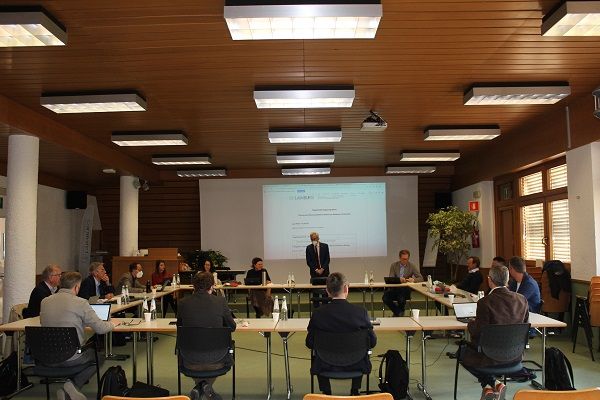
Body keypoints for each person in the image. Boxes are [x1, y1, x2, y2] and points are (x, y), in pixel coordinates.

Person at [40, 271, 117, 400]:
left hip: (47, 356)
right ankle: (73, 385)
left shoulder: (45, 301)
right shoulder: (80, 302)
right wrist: (112, 324)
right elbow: (101, 329)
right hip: (71, 356)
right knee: (99, 357)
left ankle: (69, 389)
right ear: (76, 287)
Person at [458, 265, 529, 400]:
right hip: (515, 355)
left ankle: (491, 384)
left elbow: (478, 331)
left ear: (489, 280)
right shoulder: (522, 299)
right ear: (507, 280)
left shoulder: (485, 302)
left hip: (490, 356)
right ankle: (493, 385)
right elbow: (524, 328)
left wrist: (470, 323)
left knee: (461, 353)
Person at [306, 272, 377, 396]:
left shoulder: (318, 314)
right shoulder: (361, 312)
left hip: (325, 365)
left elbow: (310, 342)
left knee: (318, 354)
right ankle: (355, 390)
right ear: (346, 288)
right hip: (357, 364)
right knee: (361, 350)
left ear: (327, 291)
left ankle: (326, 391)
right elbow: (372, 342)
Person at [178, 271, 236, 400]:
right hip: (217, 359)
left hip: (189, 359)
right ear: (212, 286)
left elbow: (180, 327)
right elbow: (232, 327)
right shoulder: (220, 301)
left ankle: (200, 387)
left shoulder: (183, 303)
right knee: (214, 354)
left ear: (193, 286)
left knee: (198, 356)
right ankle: (205, 387)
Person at [382, 250, 423, 317]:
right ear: (399, 258)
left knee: (401, 298)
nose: (405, 261)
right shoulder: (394, 265)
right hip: (394, 289)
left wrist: (413, 280)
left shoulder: (412, 266)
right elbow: (391, 279)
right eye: (403, 259)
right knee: (385, 298)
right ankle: (398, 312)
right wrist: (399, 280)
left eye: (406, 259)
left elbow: (421, 278)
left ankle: (398, 313)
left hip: (405, 290)